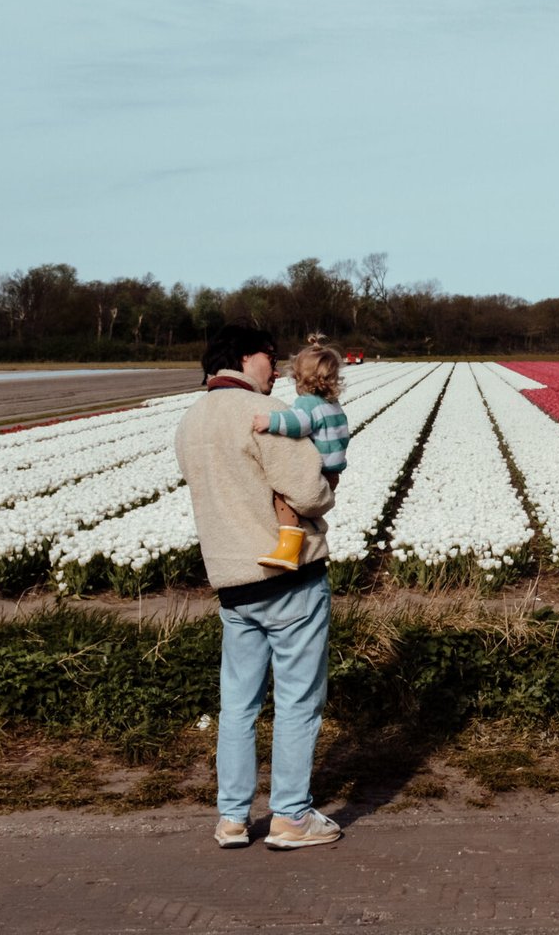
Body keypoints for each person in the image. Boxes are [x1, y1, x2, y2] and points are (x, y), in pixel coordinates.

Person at [174, 325, 342, 851]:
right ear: (248, 358)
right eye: (272, 358)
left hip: (230, 584)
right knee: (296, 701)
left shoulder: (190, 421)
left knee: (238, 705)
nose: (277, 370)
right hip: (286, 578)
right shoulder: (258, 418)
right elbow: (311, 491)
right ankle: (291, 817)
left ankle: (232, 818)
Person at [250, 345, 351, 571]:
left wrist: (270, 421)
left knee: (281, 497)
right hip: (334, 474)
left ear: (301, 379)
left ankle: (289, 547)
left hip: (316, 472)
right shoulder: (333, 405)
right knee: (309, 508)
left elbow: (298, 423)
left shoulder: (308, 403)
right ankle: (306, 535)